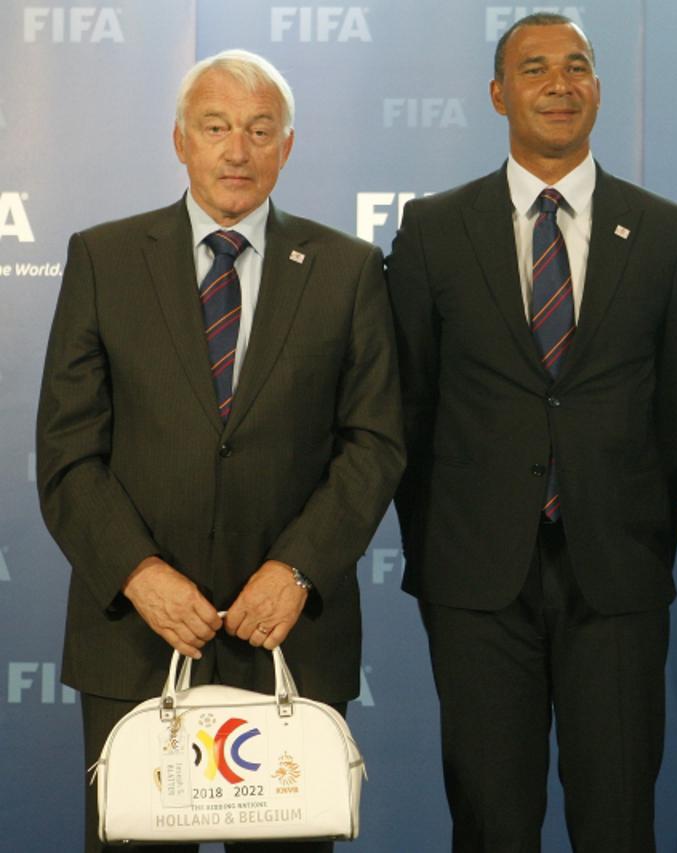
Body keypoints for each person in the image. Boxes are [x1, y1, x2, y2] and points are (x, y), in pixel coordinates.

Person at [35, 49, 405, 853]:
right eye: (215, 128)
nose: (238, 150)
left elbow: (374, 444)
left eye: (259, 130)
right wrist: (139, 573)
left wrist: (298, 569)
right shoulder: (103, 258)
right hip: (136, 637)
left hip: (288, 636)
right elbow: (67, 453)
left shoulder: (347, 269)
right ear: (180, 140)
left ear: (287, 146)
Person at [385, 13, 677, 852]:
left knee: (618, 821)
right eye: (535, 68)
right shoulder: (433, 229)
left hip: (618, 574)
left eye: (577, 66)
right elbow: (408, 405)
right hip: (476, 578)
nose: (559, 84)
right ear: (499, 94)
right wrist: (439, 542)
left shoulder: (669, 234)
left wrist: (636, 525)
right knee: (491, 822)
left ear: (598, 88)